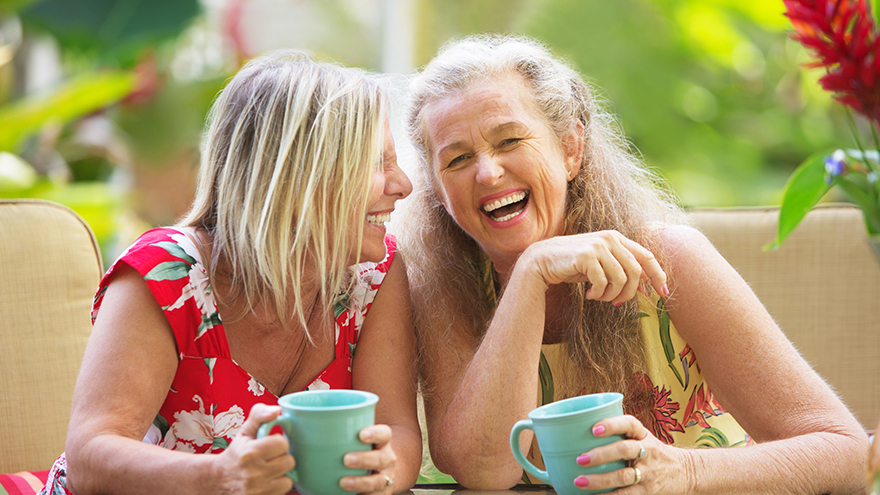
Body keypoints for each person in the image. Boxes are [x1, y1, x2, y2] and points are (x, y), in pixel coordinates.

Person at [399, 34, 868, 493]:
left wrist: (684, 473)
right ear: (438, 192)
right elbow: (484, 471)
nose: (487, 172)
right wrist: (530, 274)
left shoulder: (669, 259)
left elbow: (845, 452)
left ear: (570, 149)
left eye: (509, 140)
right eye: (457, 159)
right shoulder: (444, 287)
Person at [40, 50, 420, 495]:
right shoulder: (166, 275)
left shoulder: (374, 275)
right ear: (297, 178)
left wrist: (380, 470)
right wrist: (219, 477)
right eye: (377, 163)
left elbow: (397, 431)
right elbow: (91, 458)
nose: (403, 185)